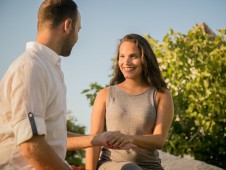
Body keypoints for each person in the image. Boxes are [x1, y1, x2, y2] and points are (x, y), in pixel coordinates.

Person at [0, 0, 124, 169]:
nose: (77, 38)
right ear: (68, 25)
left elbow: (52, 136)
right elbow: (32, 147)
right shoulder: (31, 68)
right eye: (78, 30)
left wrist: (97, 139)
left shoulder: (48, 68)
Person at [86, 33, 174, 170]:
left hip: (151, 166)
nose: (126, 62)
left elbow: (160, 139)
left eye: (133, 56)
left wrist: (130, 138)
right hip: (111, 165)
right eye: (122, 56)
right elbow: (94, 140)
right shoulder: (104, 94)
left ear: (145, 59)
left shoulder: (161, 94)